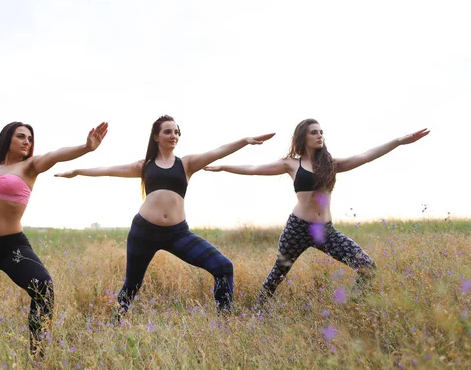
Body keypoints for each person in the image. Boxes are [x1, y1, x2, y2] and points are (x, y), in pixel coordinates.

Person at [55, 115, 274, 316]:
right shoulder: (144, 166)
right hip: (144, 232)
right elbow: (107, 169)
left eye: (177, 132)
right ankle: (115, 322)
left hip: (178, 234)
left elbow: (218, 151)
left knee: (223, 267)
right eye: (168, 131)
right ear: (156, 136)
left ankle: (224, 321)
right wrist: (76, 172)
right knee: (131, 286)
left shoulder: (186, 164)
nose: (174, 136)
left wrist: (245, 140)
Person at [204, 118, 429, 306]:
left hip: (325, 231)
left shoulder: (332, 163)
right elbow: (253, 169)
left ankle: (353, 305)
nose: (319, 135)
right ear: (303, 137)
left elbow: (367, 155)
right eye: (314, 132)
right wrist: (224, 166)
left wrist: (399, 141)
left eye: (321, 132)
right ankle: (259, 313)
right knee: (277, 275)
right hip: (298, 228)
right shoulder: (291, 164)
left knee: (368, 267)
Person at [0, 121, 108, 355]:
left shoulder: (31, 166)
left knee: (43, 287)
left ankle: (37, 354)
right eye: (21, 137)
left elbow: (56, 155)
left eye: (30, 139)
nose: (27, 142)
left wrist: (86, 147)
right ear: (7, 139)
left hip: (10, 245)